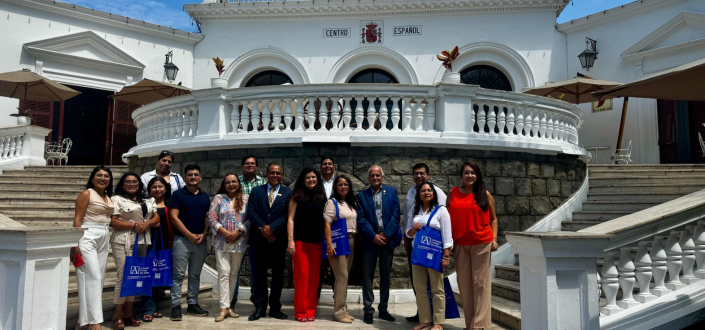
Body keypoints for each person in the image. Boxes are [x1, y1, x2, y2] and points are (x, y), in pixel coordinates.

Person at [448, 161, 499, 330]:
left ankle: (480, 326)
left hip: (481, 242)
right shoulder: (453, 193)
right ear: (461, 176)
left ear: (477, 176)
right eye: (466, 173)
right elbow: (447, 218)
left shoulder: (485, 194)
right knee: (464, 284)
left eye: (473, 173)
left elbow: (493, 219)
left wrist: (494, 238)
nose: (470, 176)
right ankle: (470, 324)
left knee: (481, 284)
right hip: (460, 244)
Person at [110, 173, 160, 329]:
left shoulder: (148, 200)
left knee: (134, 276)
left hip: (143, 240)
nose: (131, 184)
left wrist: (146, 224)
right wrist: (134, 226)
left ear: (139, 183)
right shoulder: (117, 199)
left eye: (134, 181)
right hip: (124, 240)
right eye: (128, 181)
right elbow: (113, 221)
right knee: (123, 276)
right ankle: (118, 314)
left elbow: (156, 217)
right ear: (123, 184)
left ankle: (129, 313)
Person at [246, 163, 292, 321]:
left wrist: (272, 228)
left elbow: (288, 216)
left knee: (278, 276)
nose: (275, 176)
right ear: (266, 174)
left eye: (278, 173)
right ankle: (259, 307)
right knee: (259, 275)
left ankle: (275, 308)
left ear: (282, 175)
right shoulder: (256, 191)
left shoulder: (288, 193)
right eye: (272, 172)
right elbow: (251, 212)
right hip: (259, 240)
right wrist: (264, 229)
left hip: (278, 240)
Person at [356, 165, 401, 325]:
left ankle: (383, 309)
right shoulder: (361, 196)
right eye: (372, 176)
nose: (375, 178)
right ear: (369, 178)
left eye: (378, 175)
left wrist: (386, 234)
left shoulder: (391, 192)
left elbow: (396, 215)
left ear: (382, 177)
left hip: (387, 241)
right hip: (369, 241)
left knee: (385, 276)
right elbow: (360, 219)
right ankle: (368, 310)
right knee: (367, 277)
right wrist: (373, 236)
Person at [72, 166, 115, 330]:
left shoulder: (107, 196)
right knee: (93, 277)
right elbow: (77, 220)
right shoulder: (86, 194)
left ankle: (82, 322)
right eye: (99, 175)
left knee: (97, 279)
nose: (103, 178)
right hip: (87, 236)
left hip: (104, 237)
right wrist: (74, 244)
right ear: (92, 178)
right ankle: (95, 322)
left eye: (106, 176)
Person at [404, 163, 448, 322]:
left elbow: (444, 224)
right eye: (416, 173)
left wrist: (446, 253)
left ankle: (438, 320)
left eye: (422, 173)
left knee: (436, 286)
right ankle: (422, 316)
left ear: (428, 175)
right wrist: (407, 238)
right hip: (417, 247)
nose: (419, 176)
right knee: (419, 285)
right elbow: (406, 221)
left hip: (434, 248)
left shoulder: (439, 194)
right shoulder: (411, 194)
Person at [169, 164, 211, 321]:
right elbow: (174, 217)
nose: (193, 177)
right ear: (185, 177)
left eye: (196, 175)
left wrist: (205, 233)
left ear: (200, 177)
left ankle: (193, 304)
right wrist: (189, 234)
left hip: (200, 241)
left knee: (195, 274)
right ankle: (175, 306)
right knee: (178, 275)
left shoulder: (205, 196)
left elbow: (208, 216)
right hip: (182, 240)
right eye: (190, 175)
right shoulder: (178, 195)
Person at [287, 167, 327, 322]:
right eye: (308, 177)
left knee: (314, 277)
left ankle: (311, 310)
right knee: (302, 275)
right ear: (303, 180)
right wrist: (290, 240)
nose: (312, 180)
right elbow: (290, 219)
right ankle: (300, 311)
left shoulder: (322, 197)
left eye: (314, 177)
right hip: (300, 242)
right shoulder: (296, 197)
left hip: (317, 243)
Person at [209, 173, 250, 322]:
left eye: (234, 181)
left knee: (233, 273)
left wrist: (238, 232)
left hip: (239, 243)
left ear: (239, 183)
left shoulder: (246, 199)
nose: (231, 184)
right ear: (224, 184)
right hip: (222, 242)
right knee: (223, 273)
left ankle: (229, 307)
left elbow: (249, 219)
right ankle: (223, 307)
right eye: (228, 182)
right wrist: (226, 233)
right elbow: (212, 219)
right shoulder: (218, 199)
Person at [133, 176, 173, 322]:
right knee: (148, 276)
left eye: (160, 186)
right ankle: (147, 309)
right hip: (148, 243)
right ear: (149, 189)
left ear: (166, 189)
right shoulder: (145, 204)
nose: (157, 189)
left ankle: (154, 306)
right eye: (154, 187)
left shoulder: (171, 203)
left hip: (166, 243)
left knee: (159, 274)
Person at [231, 155, 266, 309]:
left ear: (256, 166)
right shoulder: (235, 182)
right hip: (238, 229)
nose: (250, 166)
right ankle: (232, 297)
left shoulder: (263, 182)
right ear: (242, 166)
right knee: (235, 267)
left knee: (256, 267)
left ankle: (255, 296)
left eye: (252, 163)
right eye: (247, 164)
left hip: (257, 230)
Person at [323, 175, 358, 323]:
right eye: (340, 185)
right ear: (335, 187)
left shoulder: (350, 203)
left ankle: (343, 310)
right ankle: (338, 313)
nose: (343, 187)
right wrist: (329, 245)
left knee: (343, 278)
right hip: (338, 243)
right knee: (341, 277)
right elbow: (327, 224)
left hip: (351, 241)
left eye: (346, 184)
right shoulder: (332, 202)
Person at [317, 156, 336, 300]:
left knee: (337, 266)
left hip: (337, 229)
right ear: (321, 166)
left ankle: (339, 300)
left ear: (334, 166)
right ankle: (314, 300)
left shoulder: (340, 182)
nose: (327, 166)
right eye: (325, 164)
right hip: (317, 229)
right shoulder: (315, 182)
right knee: (318, 267)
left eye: (330, 164)